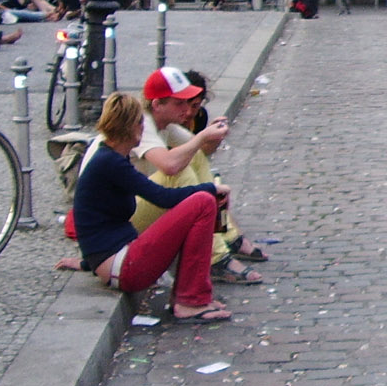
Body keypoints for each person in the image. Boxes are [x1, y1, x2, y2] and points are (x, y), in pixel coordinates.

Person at [72, 92, 231, 324]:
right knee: (203, 203)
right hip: (124, 267)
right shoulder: (110, 162)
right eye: (140, 123)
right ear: (131, 127)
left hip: (117, 260)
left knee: (201, 201)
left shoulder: (112, 158)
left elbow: (96, 224)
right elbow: (163, 198)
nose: (143, 129)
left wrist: (89, 262)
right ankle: (190, 300)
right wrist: (209, 188)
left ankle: (190, 294)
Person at [130, 69, 270, 278]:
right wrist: (203, 136)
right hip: (122, 218)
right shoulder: (143, 124)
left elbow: (200, 151)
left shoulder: (164, 123)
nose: (187, 110)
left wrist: (212, 138)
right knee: (181, 172)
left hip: (135, 203)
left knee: (194, 160)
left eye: (189, 103)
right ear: (157, 104)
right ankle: (215, 255)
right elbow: (168, 165)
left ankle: (227, 237)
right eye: (180, 103)